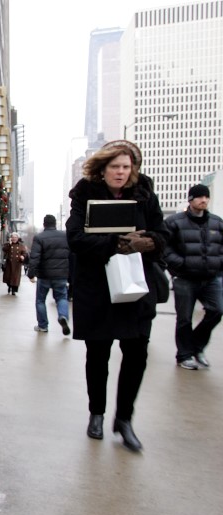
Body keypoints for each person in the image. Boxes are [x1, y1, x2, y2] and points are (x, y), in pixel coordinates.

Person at [65, 139, 167, 452]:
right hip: (97, 287)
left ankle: (124, 419)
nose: (121, 173)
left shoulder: (145, 194)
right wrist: (115, 244)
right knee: (98, 355)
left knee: (137, 354)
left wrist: (145, 242)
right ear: (103, 168)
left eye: (126, 167)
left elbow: (162, 236)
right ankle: (96, 413)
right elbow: (75, 238)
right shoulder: (84, 194)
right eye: (115, 167)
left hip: (136, 286)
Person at [163, 184, 223, 370]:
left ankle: (196, 347)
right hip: (185, 278)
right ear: (190, 199)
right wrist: (179, 263)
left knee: (217, 311)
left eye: (206, 197)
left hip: (211, 278)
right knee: (184, 319)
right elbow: (164, 247)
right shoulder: (174, 222)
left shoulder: (216, 222)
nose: (203, 200)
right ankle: (184, 355)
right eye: (199, 197)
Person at [27, 214, 71, 334]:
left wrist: (31, 274)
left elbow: (34, 257)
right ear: (55, 223)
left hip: (44, 275)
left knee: (40, 300)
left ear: (44, 224)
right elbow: (71, 255)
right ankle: (63, 316)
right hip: (61, 274)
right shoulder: (64, 236)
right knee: (62, 297)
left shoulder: (39, 237)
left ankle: (43, 325)